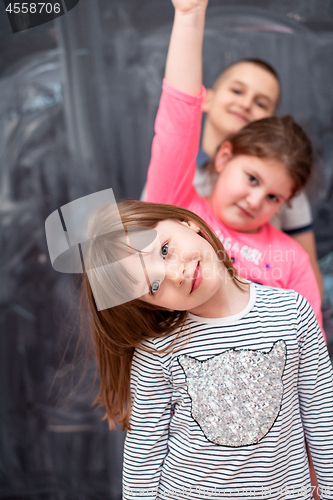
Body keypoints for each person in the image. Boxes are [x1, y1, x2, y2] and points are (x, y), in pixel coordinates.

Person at [81, 198, 333, 500]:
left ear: (191, 223)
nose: (176, 274)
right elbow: (143, 455)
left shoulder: (291, 313)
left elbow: (322, 419)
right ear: (151, 305)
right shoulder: (157, 351)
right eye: (155, 286)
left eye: (164, 250)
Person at [145, 0, 325, 337]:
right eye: (252, 179)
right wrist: (188, 16)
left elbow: (308, 353)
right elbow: (177, 119)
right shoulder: (176, 202)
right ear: (225, 158)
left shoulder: (293, 261)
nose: (256, 200)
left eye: (273, 196)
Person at [195, 59, 324, 298]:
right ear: (207, 98)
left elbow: (307, 276)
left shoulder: (287, 184)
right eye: (236, 90)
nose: (245, 104)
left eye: (260, 103)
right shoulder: (178, 179)